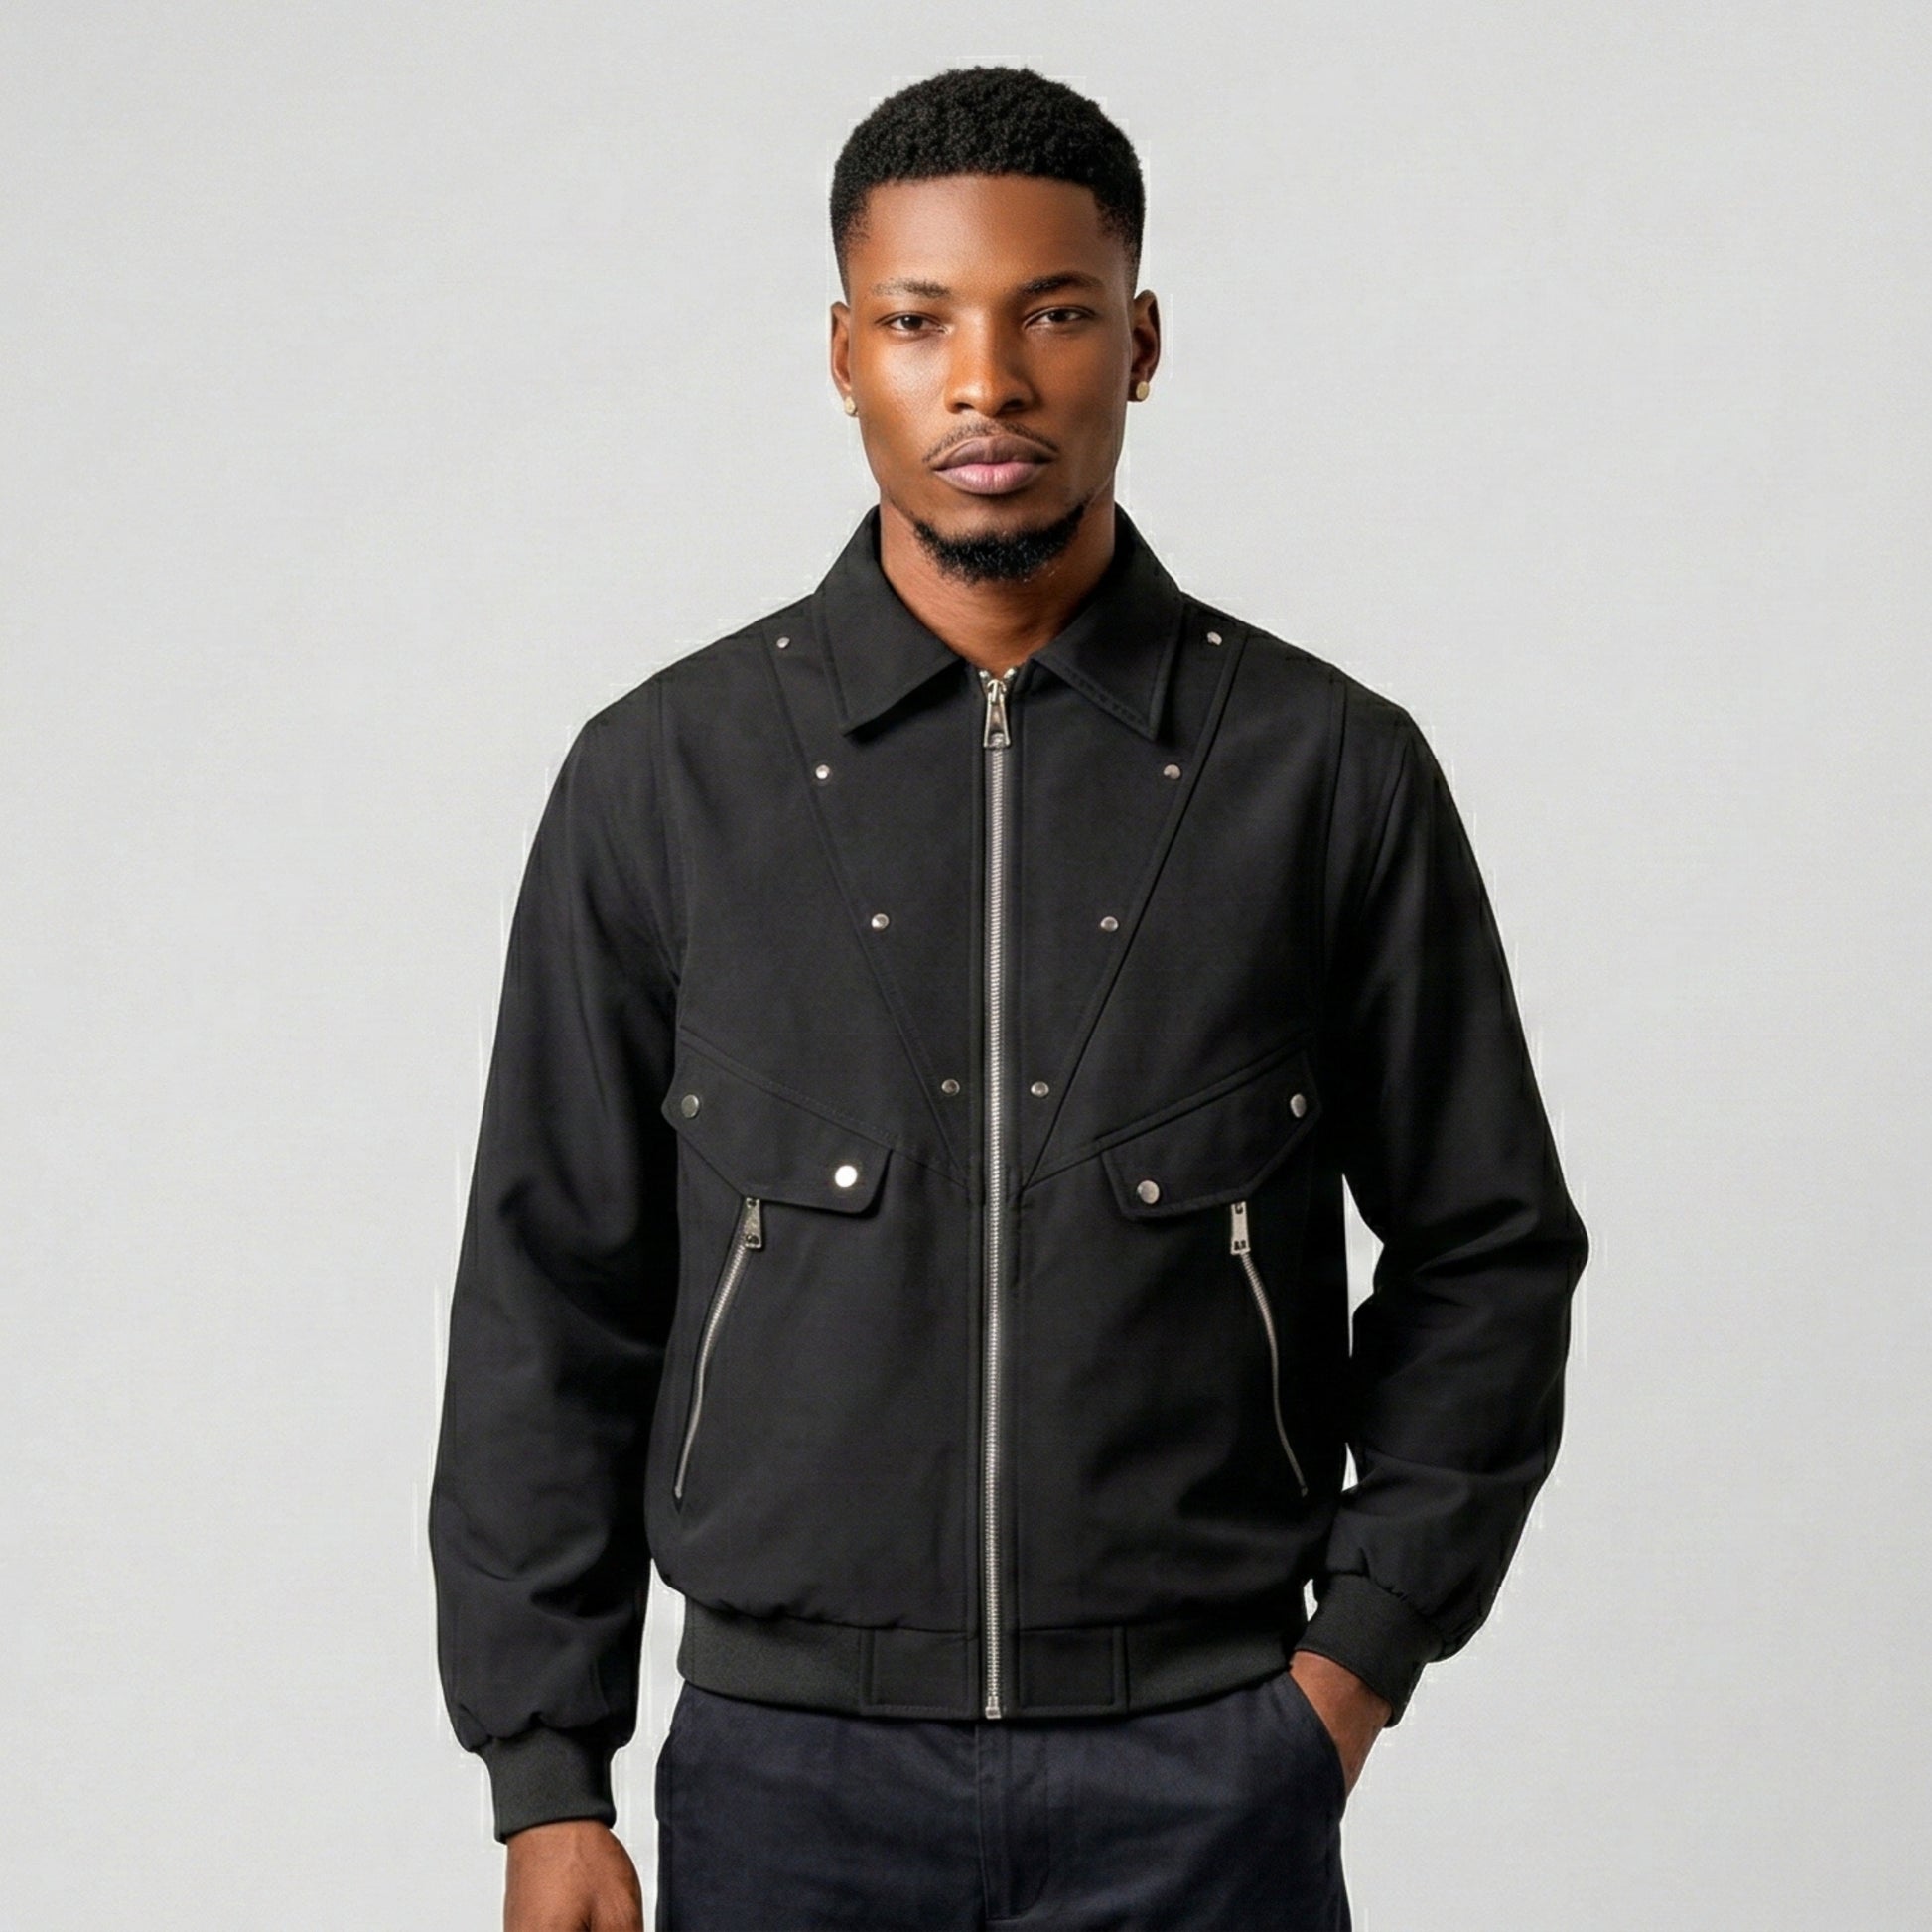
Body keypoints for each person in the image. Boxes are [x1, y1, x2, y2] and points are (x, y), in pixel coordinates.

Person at [429, 63, 1589, 1932]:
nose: (986, 381)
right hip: (785, 1781)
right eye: (918, 322)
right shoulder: (663, 779)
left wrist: (1350, 1667)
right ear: (842, 354)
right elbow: (547, 1287)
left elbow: (1489, 1243)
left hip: (1203, 1770)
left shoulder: (1323, 771)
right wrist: (544, 1774)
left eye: (1051, 313)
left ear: (1138, 343)